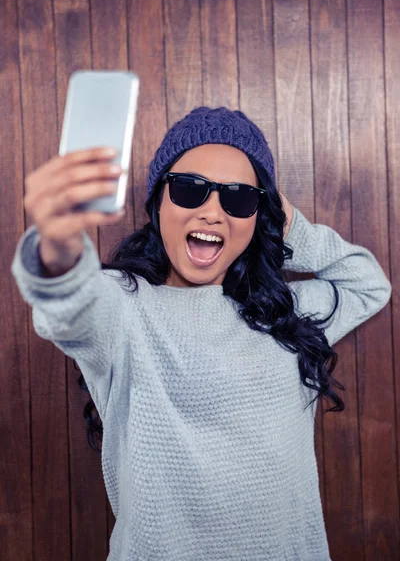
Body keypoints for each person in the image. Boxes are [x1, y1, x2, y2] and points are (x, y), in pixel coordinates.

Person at [11, 107, 391, 560]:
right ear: (157, 203)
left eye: (239, 199)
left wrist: (290, 225)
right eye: (190, 190)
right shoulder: (124, 307)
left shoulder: (287, 311)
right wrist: (56, 246)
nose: (212, 213)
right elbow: (67, 305)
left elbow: (369, 284)